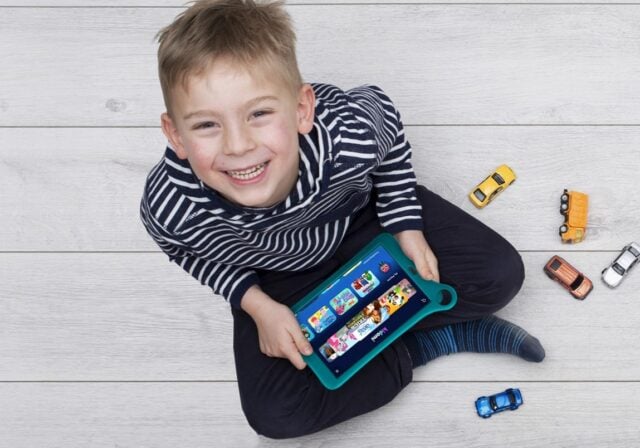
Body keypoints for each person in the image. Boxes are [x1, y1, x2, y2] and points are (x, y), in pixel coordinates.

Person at [140, 0, 545, 439]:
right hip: (277, 278)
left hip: (360, 224)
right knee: (275, 415)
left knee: (499, 274)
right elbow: (182, 249)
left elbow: (386, 120)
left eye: (259, 114)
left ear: (301, 110)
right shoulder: (170, 202)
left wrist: (404, 224)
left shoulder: (344, 135)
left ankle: (409, 314)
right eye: (206, 126)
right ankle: (427, 343)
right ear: (175, 135)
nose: (237, 146)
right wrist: (256, 304)